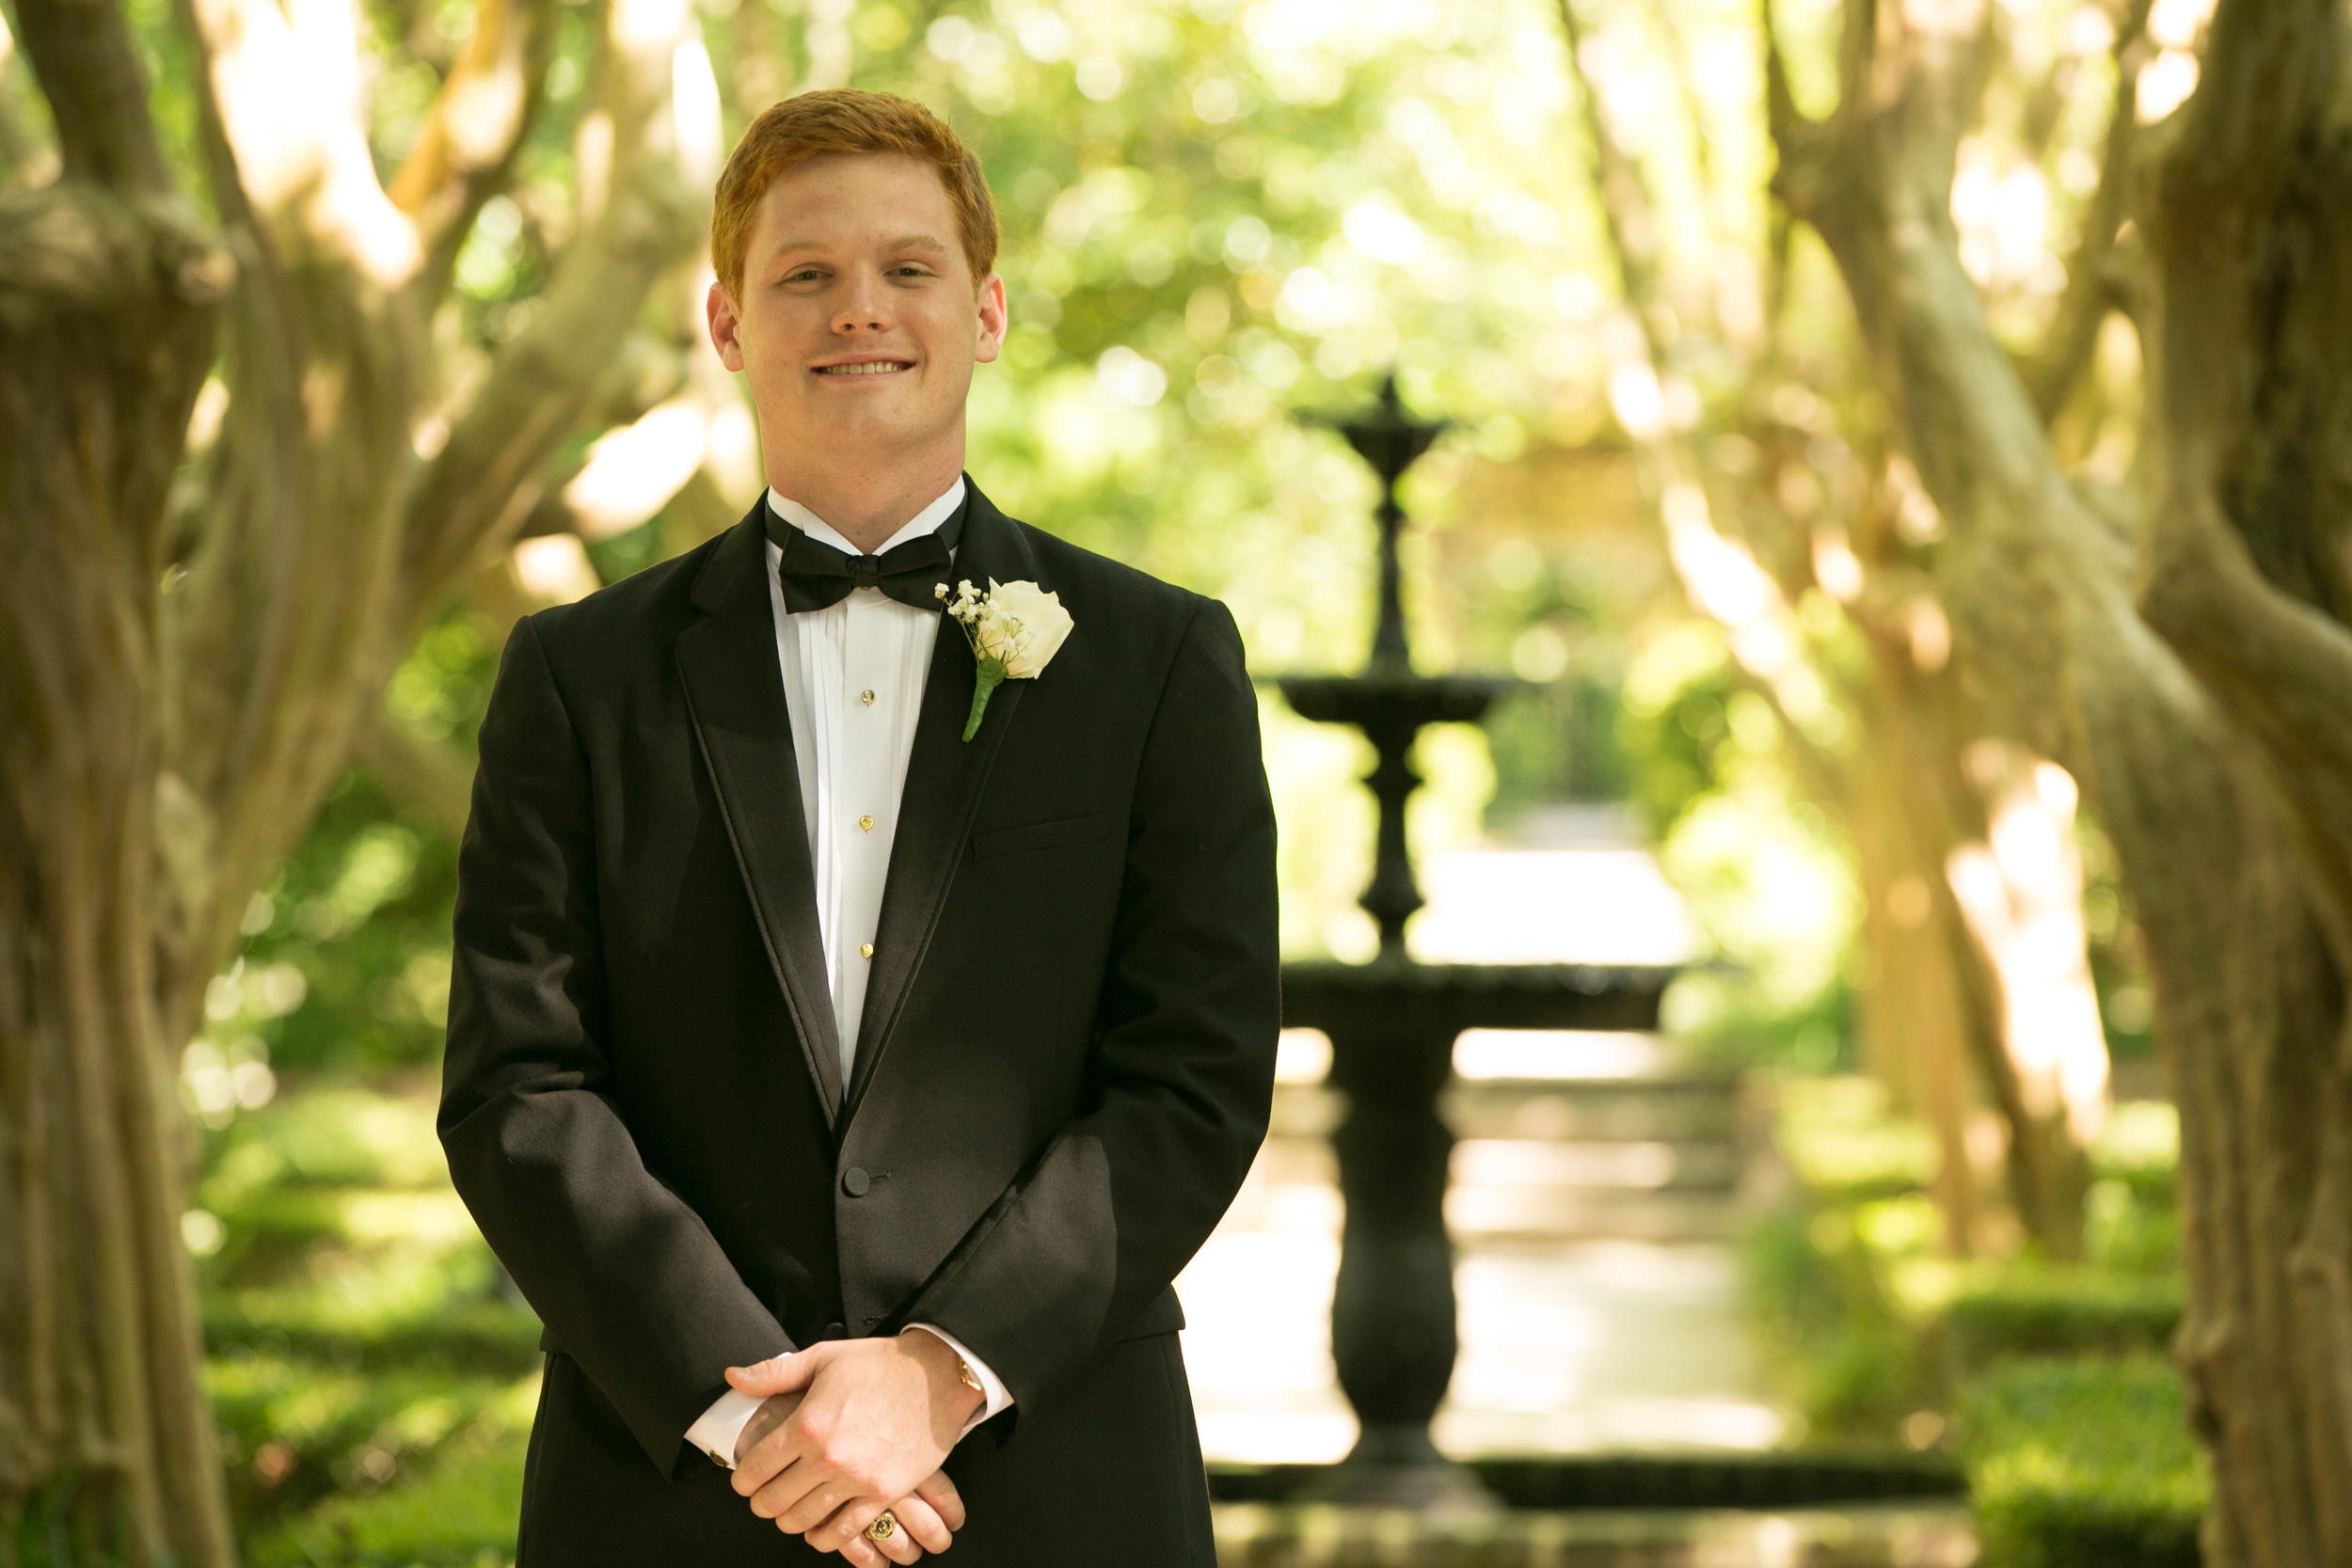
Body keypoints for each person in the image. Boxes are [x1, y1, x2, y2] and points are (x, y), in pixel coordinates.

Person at [437, 87, 1279, 1567]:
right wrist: (758, 1422)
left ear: (988, 309)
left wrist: (942, 1368)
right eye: (803, 275)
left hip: (1057, 1479)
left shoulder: (1159, 661)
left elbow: (1194, 1079)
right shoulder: (578, 678)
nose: (857, 313)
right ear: (726, 324)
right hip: (679, 1490)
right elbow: (519, 1088)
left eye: (907, 268)